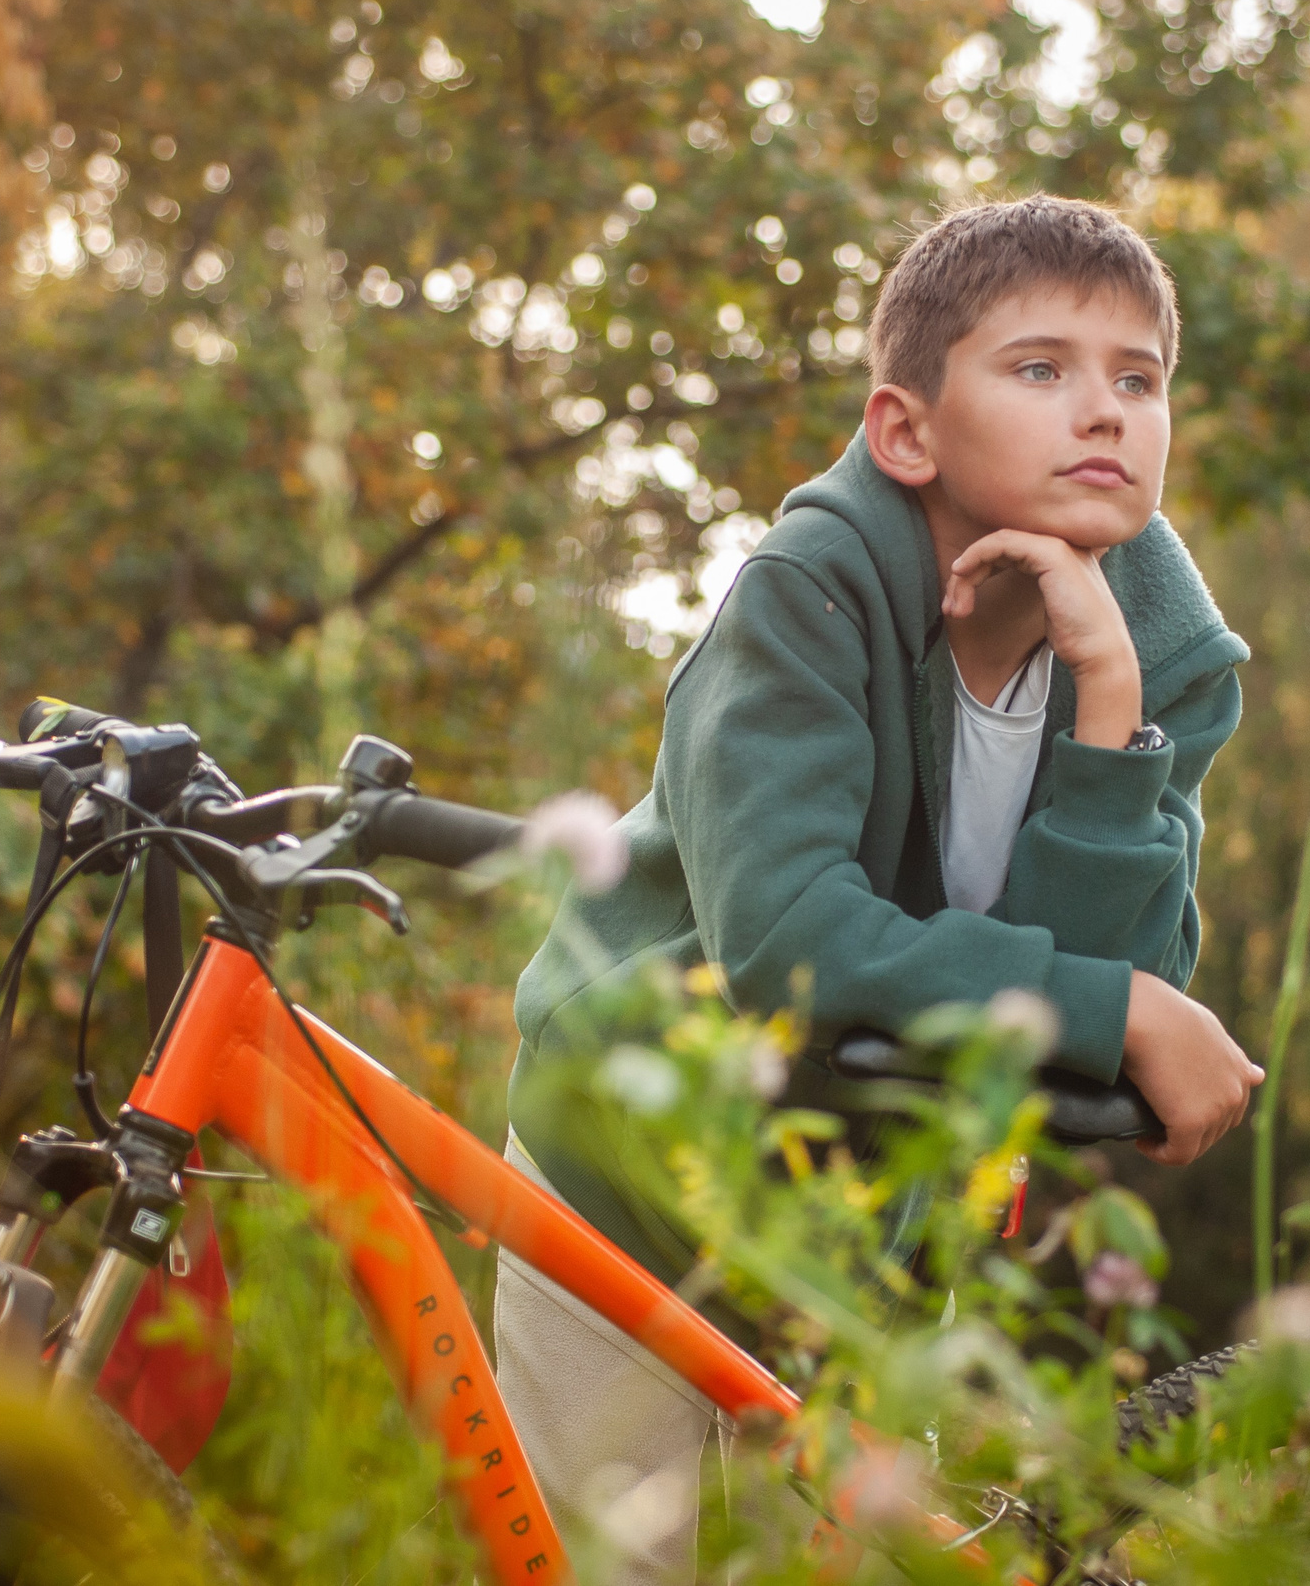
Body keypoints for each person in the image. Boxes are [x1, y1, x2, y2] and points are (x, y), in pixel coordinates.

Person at [491, 192, 1267, 1581]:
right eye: (1041, 369)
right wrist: (1114, 1008)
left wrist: (1108, 706)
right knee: (619, 1568)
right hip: (629, 1178)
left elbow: (1108, 987)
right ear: (907, 429)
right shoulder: (812, 591)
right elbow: (791, 944)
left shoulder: (1165, 656)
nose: (1104, 412)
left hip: (861, 1239)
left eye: (1137, 379)